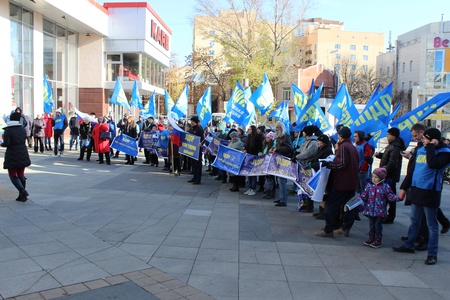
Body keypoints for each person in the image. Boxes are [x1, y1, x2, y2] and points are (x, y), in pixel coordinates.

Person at [393, 128, 450, 265]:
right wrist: (403, 188)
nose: (422, 140)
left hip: (431, 192)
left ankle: (432, 253)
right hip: (417, 189)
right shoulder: (420, 150)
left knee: (432, 225)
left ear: (433, 140)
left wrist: (430, 146)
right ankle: (409, 245)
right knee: (414, 220)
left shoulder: (444, 153)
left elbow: (433, 164)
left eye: (425, 138)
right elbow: (412, 170)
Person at [315, 126, 359, 237]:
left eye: (339, 135)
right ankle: (343, 228)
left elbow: (342, 164)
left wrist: (328, 164)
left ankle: (328, 230)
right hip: (351, 182)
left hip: (342, 183)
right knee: (348, 207)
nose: (338, 137)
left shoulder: (344, 147)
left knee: (330, 206)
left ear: (341, 136)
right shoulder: (352, 147)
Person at [359, 167, 399, 248]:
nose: (373, 178)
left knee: (378, 225)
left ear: (381, 178)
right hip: (370, 210)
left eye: (376, 177)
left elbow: (390, 196)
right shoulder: (369, 185)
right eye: (373, 176)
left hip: (379, 211)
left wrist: (398, 198)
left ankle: (377, 240)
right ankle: (371, 238)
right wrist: (359, 200)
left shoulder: (385, 186)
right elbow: (364, 195)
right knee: (371, 225)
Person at [375, 127, 406, 224]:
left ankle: (390, 216)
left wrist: (382, 172)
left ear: (394, 135)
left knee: (390, 196)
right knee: (388, 196)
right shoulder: (392, 145)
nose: (387, 136)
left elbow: (392, 163)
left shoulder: (395, 147)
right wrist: (380, 156)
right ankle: (386, 214)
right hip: (388, 175)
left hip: (390, 176)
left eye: (388, 134)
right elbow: (388, 158)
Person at [1, 112, 31, 202]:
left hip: (12, 153)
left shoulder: (8, 130)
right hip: (22, 152)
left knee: (12, 174)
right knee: (21, 173)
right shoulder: (21, 128)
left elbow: (6, 143)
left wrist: (1, 143)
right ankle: (22, 196)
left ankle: (22, 191)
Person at [293, 125, 318, 212]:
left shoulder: (313, 142)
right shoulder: (306, 141)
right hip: (302, 165)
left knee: (307, 186)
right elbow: (301, 150)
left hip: (308, 166)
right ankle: (304, 204)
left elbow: (308, 153)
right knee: (302, 186)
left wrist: (297, 156)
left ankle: (309, 206)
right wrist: (296, 152)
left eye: (304, 131)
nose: (302, 133)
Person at [309, 134, 334, 220]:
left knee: (324, 194)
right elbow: (316, 158)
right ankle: (321, 211)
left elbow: (322, 162)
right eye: (318, 141)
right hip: (318, 173)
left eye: (320, 142)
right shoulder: (321, 149)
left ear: (324, 143)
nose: (318, 143)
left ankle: (323, 213)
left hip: (323, 174)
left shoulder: (327, 151)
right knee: (322, 193)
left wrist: (313, 164)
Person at [270, 122, 292, 206]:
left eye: (278, 127)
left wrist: (277, 148)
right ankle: (281, 198)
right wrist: (273, 149)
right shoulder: (278, 137)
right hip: (278, 160)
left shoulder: (286, 136)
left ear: (282, 128)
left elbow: (289, 148)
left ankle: (283, 200)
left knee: (282, 180)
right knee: (279, 180)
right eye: (276, 127)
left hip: (284, 160)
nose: (276, 129)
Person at [243, 125, 264, 195]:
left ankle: (253, 188)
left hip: (254, 156)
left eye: (250, 129)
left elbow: (259, 147)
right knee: (248, 173)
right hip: (248, 156)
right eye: (248, 129)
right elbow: (246, 146)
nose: (249, 131)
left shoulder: (257, 138)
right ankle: (249, 188)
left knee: (253, 173)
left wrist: (258, 153)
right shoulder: (248, 137)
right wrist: (245, 150)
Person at [187, 116, 204, 185]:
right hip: (192, 149)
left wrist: (201, 143)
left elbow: (203, 139)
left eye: (193, 122)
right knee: (193, 164)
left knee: (197, 165)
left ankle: (198, 179)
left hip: (197, 149)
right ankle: (194, 177)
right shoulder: (191, 129)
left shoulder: (199, 130)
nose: (191, 123)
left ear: (196, 122)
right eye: (191, 122)